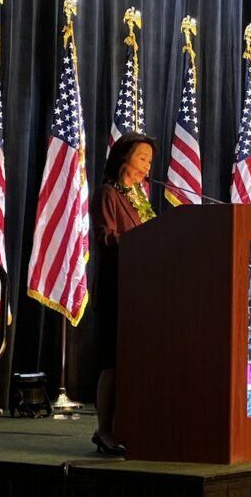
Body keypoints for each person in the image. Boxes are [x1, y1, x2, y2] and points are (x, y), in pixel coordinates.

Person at [90, 132, 156, 455]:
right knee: (112, 363)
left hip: (141, 293)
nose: (147, 165)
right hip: (116, 291)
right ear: (124, 158)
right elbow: (105, 238)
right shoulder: (107, 195)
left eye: (149, 161)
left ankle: (132, 426)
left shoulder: (141, 199)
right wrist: (141, 243)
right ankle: (103, 430)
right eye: (143, 158)